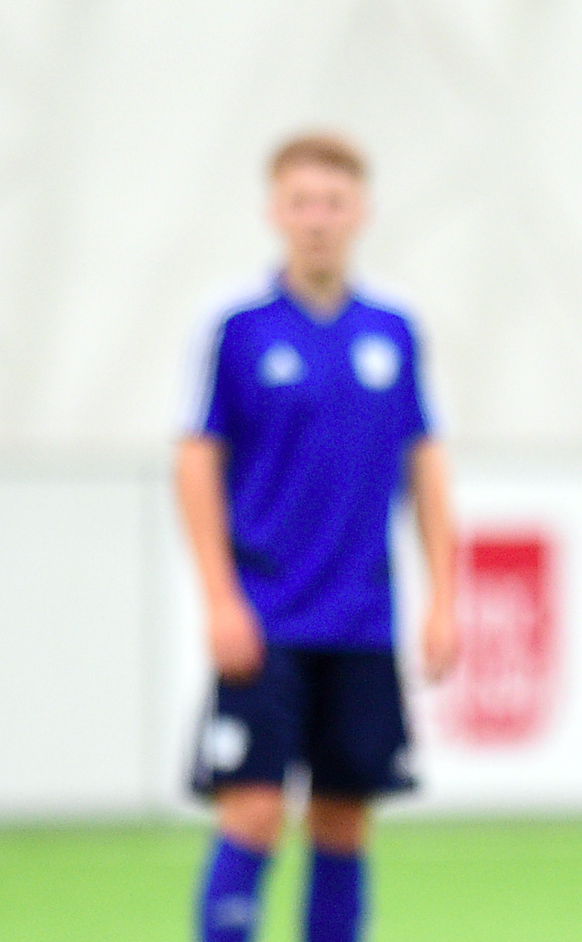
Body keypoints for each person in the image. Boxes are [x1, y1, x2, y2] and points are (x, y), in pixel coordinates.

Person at [177, 133, 459, 942]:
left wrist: (445, 597)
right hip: (266, 615)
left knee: (342, 820)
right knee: (255, 810)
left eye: (333, 203)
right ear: (274, 212)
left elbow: (425, 465)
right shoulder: (235, 327)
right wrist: (220, 597)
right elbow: (196, 461)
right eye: (301, 202)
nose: (317, 219)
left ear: (361, 213)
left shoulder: (395, 329)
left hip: (362, 619)